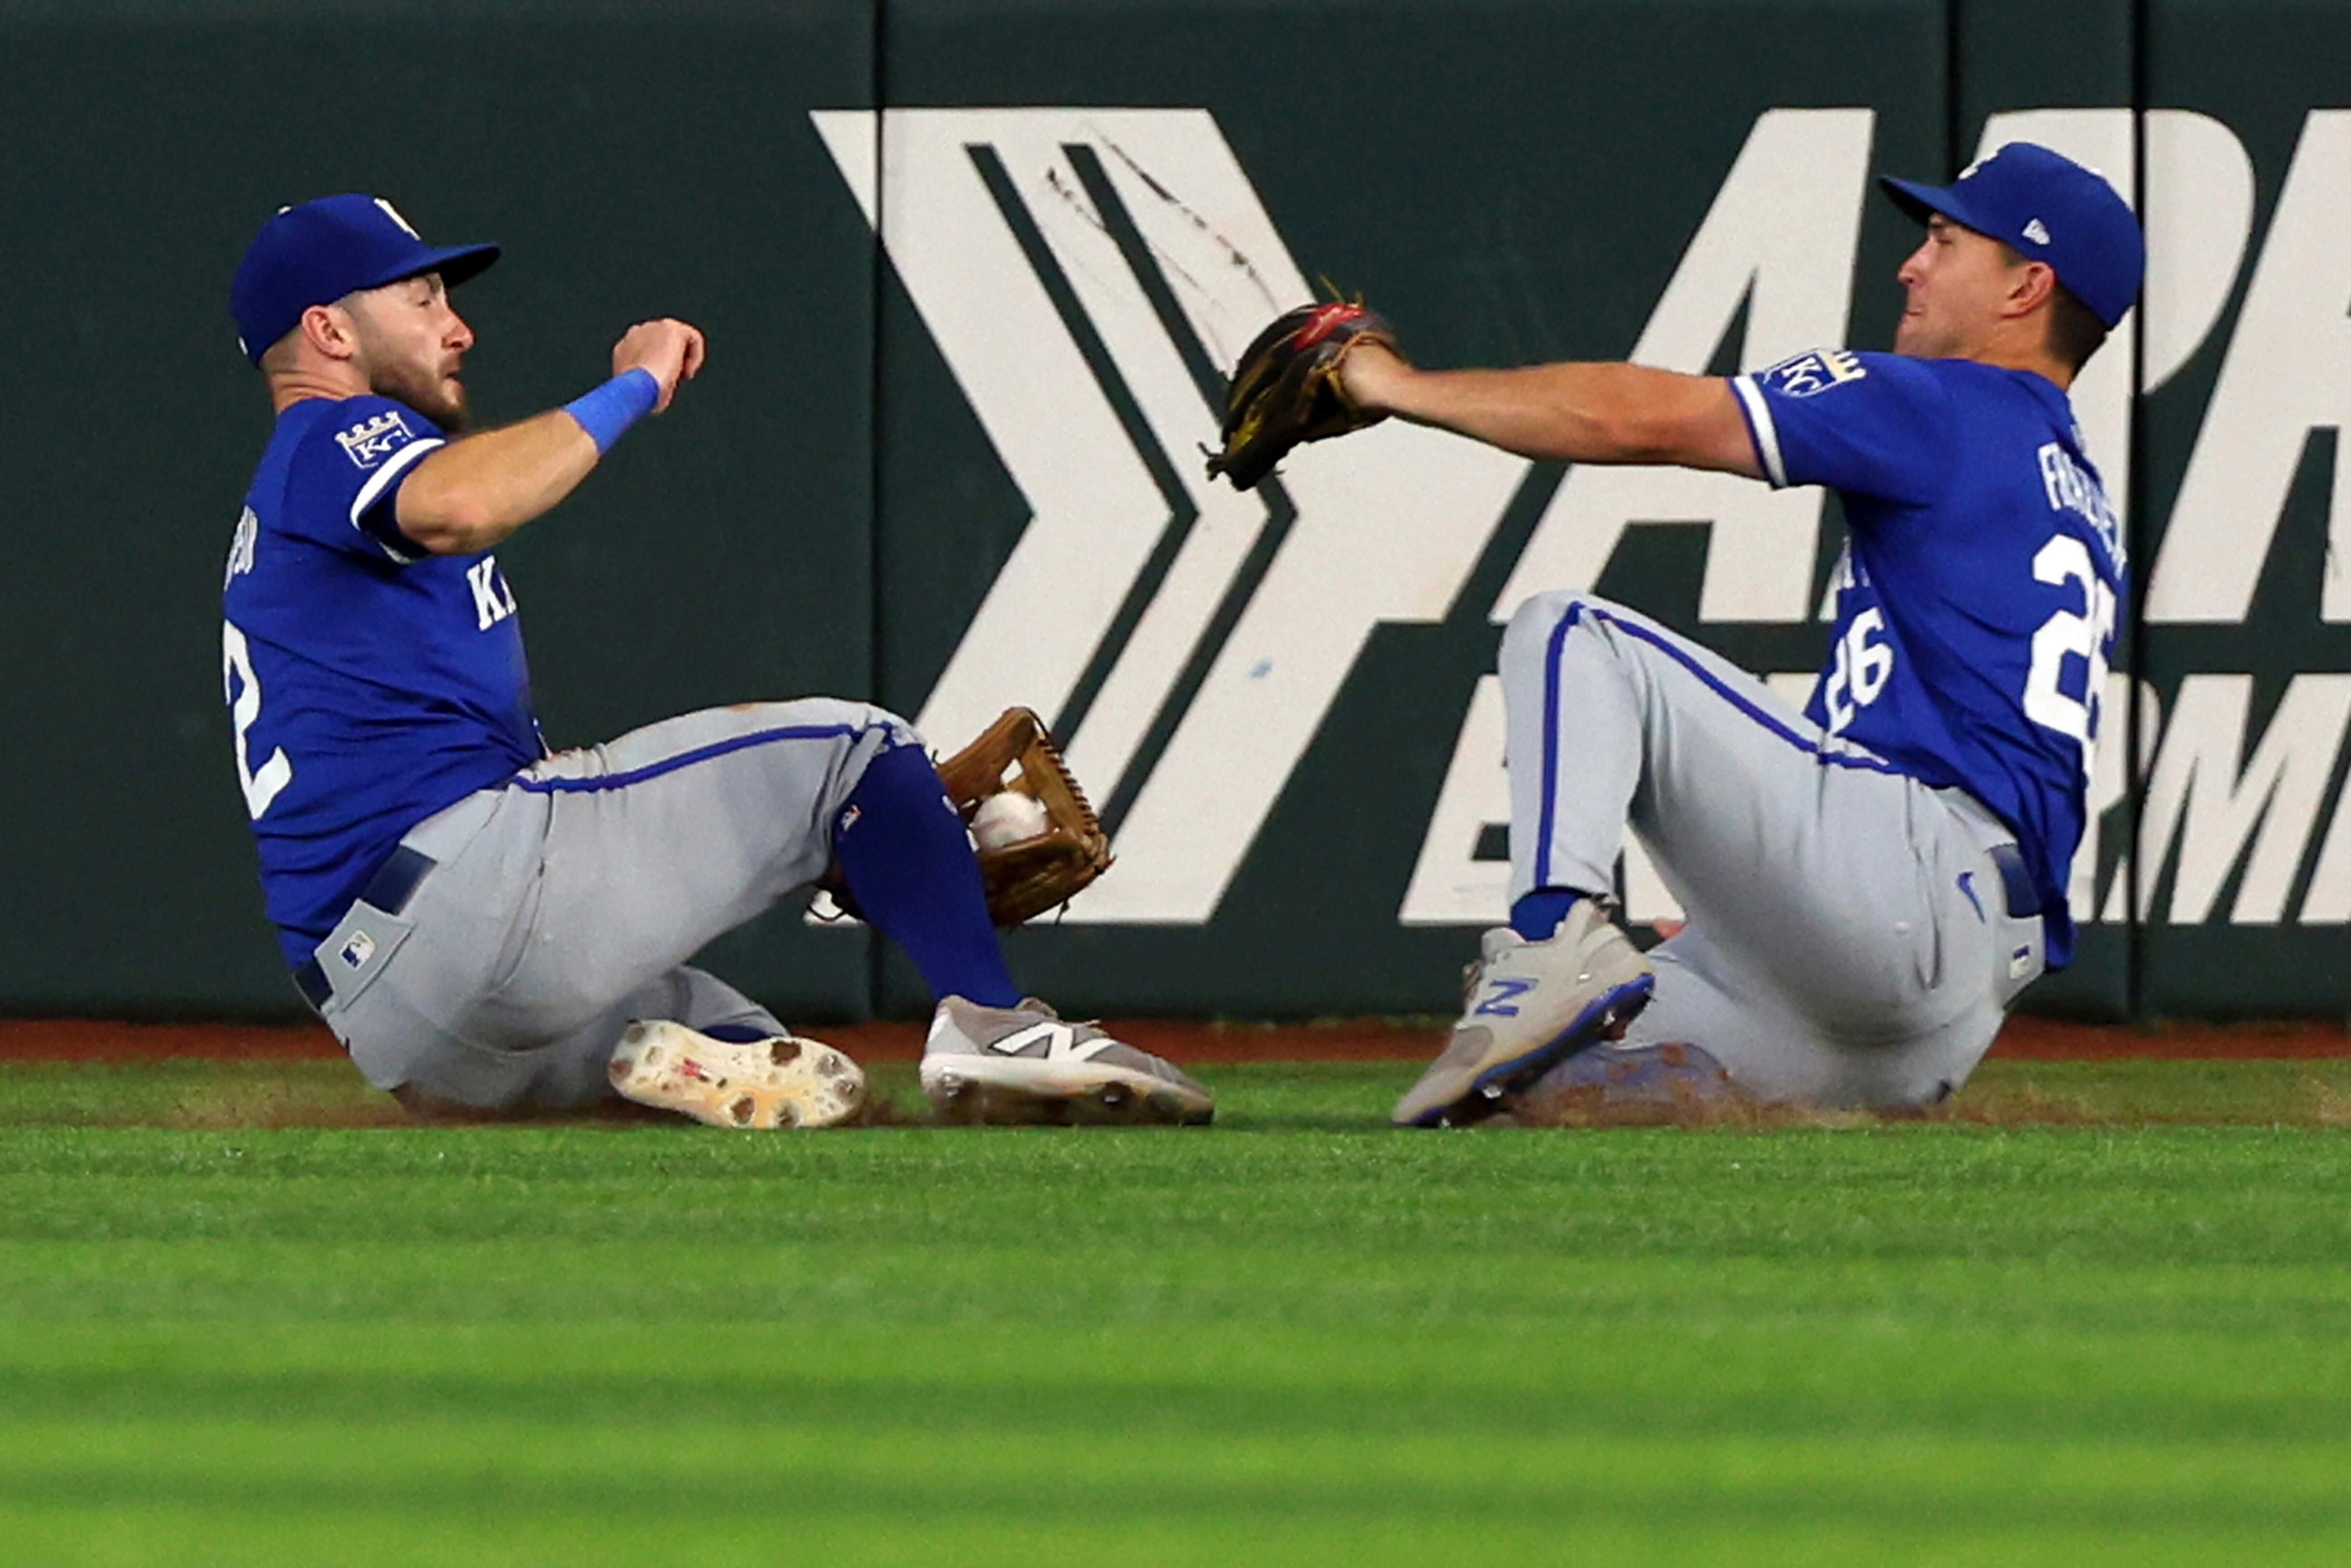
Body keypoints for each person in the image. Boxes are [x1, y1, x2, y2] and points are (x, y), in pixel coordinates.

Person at [219, 194, 1212, 1129]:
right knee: (854, 751)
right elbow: (461, 505)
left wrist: (900, 855)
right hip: (469, 895)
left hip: (394, 1019)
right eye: (422, 297)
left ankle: (681, 1070)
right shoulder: (332, 433)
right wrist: (637, 384)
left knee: (750, 1044)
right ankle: (998, 1026)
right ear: (330, 333)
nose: (457, 326)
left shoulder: (283, 517)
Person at [1332, 143, 2140, 1125]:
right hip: (1938, 1007)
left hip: (1910, 887)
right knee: (1518, 1088)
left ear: (2027, 285)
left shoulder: (1947, 403)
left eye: (1943, 239)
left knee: (1574, 632)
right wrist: (1765, 918)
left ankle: (1549, 939)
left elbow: (1639, 420)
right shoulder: (2072, 484)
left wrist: (1390, 387)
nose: (1911, 264)